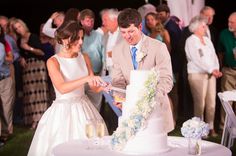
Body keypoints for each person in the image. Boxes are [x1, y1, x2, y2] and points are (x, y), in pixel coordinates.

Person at [27, 21, 108, 156]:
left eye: (82, 38)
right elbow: (62, 88)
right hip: (62, 110)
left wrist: (104, 87)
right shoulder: (53, 61)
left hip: (84, 107)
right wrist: (86, 79)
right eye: (77, 38)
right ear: (64, 40)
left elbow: (93, 86)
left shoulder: (85, 57)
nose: (81, 42)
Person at [111, 8, 174, 133]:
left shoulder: (158, 47)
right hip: (130, 113)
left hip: (156, 110)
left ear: (140, 27)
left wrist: (148, 100)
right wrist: (120, 98)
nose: (127, 36)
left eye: (131, 31)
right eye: (123, 32)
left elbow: (166, 79)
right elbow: (118, 80)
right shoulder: (117, 50)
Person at [185, 15, 222, 137]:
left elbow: (214, 55)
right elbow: (196, 59)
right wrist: (212, 69)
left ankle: (211, 127)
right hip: (197, 74)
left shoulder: (207, 40)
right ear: (196, 27)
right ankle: (199, 129)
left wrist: (216, 68)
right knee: (200, 103)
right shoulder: (191, 40)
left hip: (211, 74)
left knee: (211, 102)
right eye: (203, 26)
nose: (205, 28)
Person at [218, 12, 236, 131]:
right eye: (229, 21)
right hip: (229, 70)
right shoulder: (224, 33)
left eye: (232, 22)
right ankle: (224, 127)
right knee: (227, 99)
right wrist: (220, 68)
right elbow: (220, 52)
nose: (229, 24)